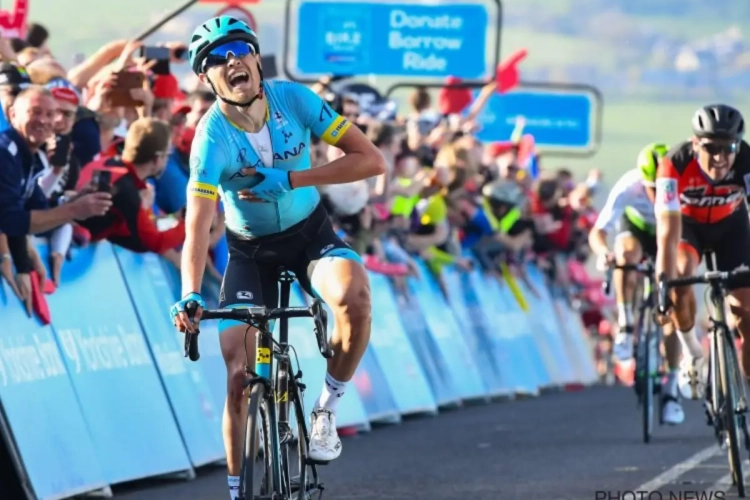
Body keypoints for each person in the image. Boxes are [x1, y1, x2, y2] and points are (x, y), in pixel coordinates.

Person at [169, 16, 385, 500]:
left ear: (256, 58)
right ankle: (236, 490)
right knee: (238, 373)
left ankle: (326, 408)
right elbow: (198, 227)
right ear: (206, 80)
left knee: (355, 298)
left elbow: (371, 160)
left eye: (240, 51)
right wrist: (188, 292)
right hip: (251, 253)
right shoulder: (211, 141)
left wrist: (290, 180)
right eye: (218, 60)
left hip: (310, 236)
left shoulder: (295, 100)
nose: (233, 62)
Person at [655, 104, 750, 401]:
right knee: (681, 276)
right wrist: (663, 283)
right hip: (688, 227)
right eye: (711, 148)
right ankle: (692, 352)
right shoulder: (674, 164)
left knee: (748, 314)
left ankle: (744, 393)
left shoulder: (746, 160)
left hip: (731, 228)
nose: (721, 158)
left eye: (729, 147)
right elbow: (668, 234)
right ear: (696, 143)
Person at [588, 142, 684, 425]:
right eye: (650, 188)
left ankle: (672, 387)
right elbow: (599, 231)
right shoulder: (628, 185)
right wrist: (602, 253)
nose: (655, 194)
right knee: (625, 254)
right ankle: (626, 324)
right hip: (638, 231)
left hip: (671, 232)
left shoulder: (680, 186)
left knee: (670, 311)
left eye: (660, 187)